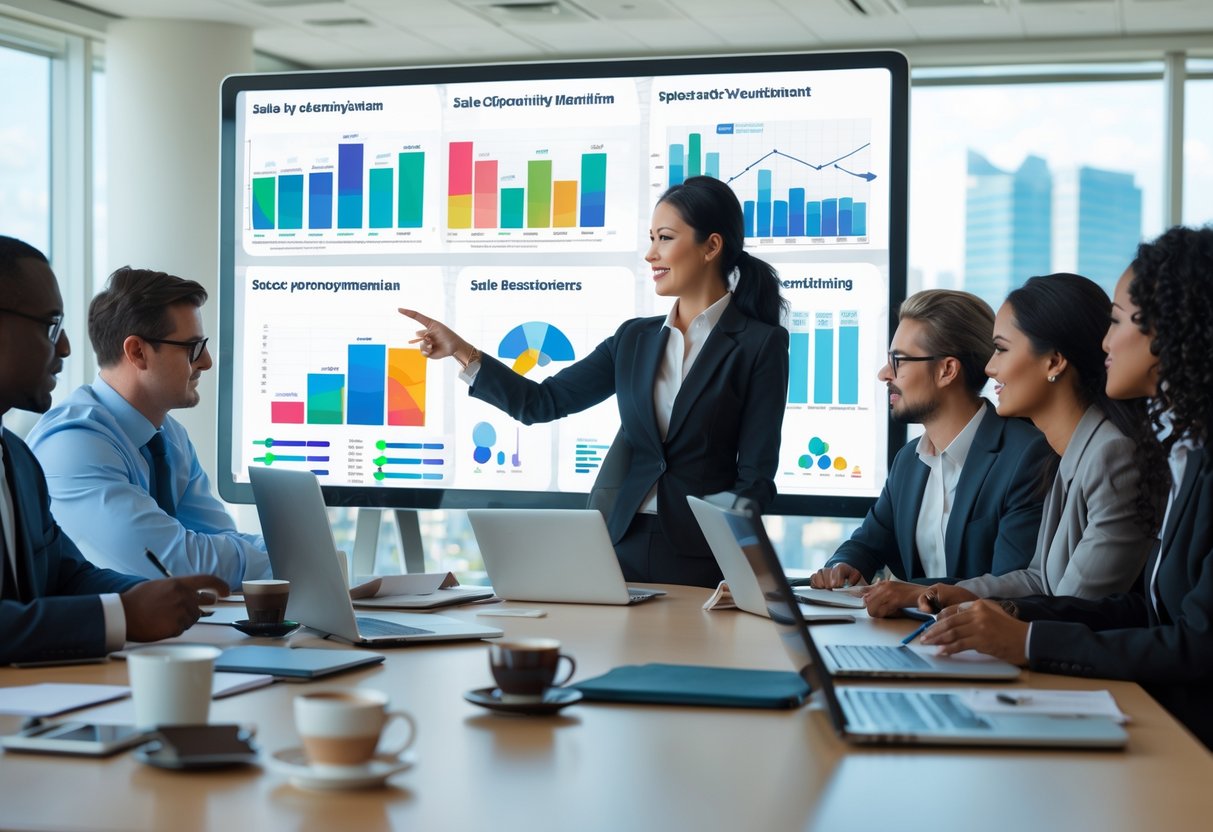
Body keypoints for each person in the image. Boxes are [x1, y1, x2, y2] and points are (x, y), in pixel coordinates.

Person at [402, 176, 789, 587]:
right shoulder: (633, 339)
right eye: (651, 237)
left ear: (711, 246)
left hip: (703, 553)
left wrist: (737, 557)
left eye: (665, 238)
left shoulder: (759, 344)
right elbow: (541, 402)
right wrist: (464, 351)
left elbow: (756, 475)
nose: (650, 254)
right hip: (618, 542)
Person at [921, 226, 1213, 749]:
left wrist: (1025, 635)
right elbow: (1142, 610)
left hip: (1184, 739)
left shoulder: (1121, 453)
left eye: (1120, 322)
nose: (1105, 341)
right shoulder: (1173, 453)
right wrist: (993, 608)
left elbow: (1194, 642)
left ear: (1172, 329)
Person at [864, 274, 1161, 617]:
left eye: (1002, 349)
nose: (989, 368)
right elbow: (1038, 580)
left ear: (1053, 362)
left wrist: (982, 618)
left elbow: (1075, 609)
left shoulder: (1109, 455)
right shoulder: (1067, 454)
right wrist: (947, 594)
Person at [0, 236, 227, 665]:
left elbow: (65, 573)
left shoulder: (15, 458)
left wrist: (146, 596)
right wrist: (120, 615)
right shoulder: (70, 441)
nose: (65, 346)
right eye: (50, 325)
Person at [27, 267, 269, 587]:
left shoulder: (170, 437)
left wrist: (306, 559)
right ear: (137, 352)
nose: (207, 361)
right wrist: (295, 564)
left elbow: (220, 537)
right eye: (193, 347)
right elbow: (174, 564)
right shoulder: (72, 445)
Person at [809, 290, 1053, 594]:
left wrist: (914, 594)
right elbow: (869, 542)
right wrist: (843, 564)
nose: (884, 374)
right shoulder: (909, 460)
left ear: (947, 370)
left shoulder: (1026, 456)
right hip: (913, 636)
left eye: (897, 360)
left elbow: (1012, 583)